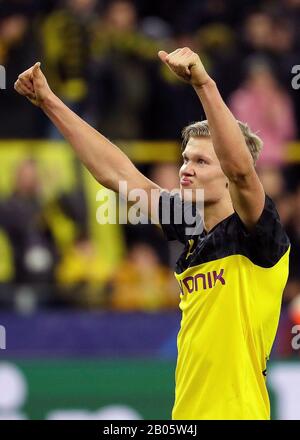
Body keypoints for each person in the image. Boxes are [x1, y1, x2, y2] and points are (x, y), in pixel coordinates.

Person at [14, 47, 290, 420]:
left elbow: (241, 171)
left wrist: (203, 84)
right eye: (185, 158)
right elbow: (119, 175)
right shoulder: (192, 227)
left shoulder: (259, 237)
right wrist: (49, 101)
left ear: (226, 175)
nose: (185, 169)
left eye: (201, 161)